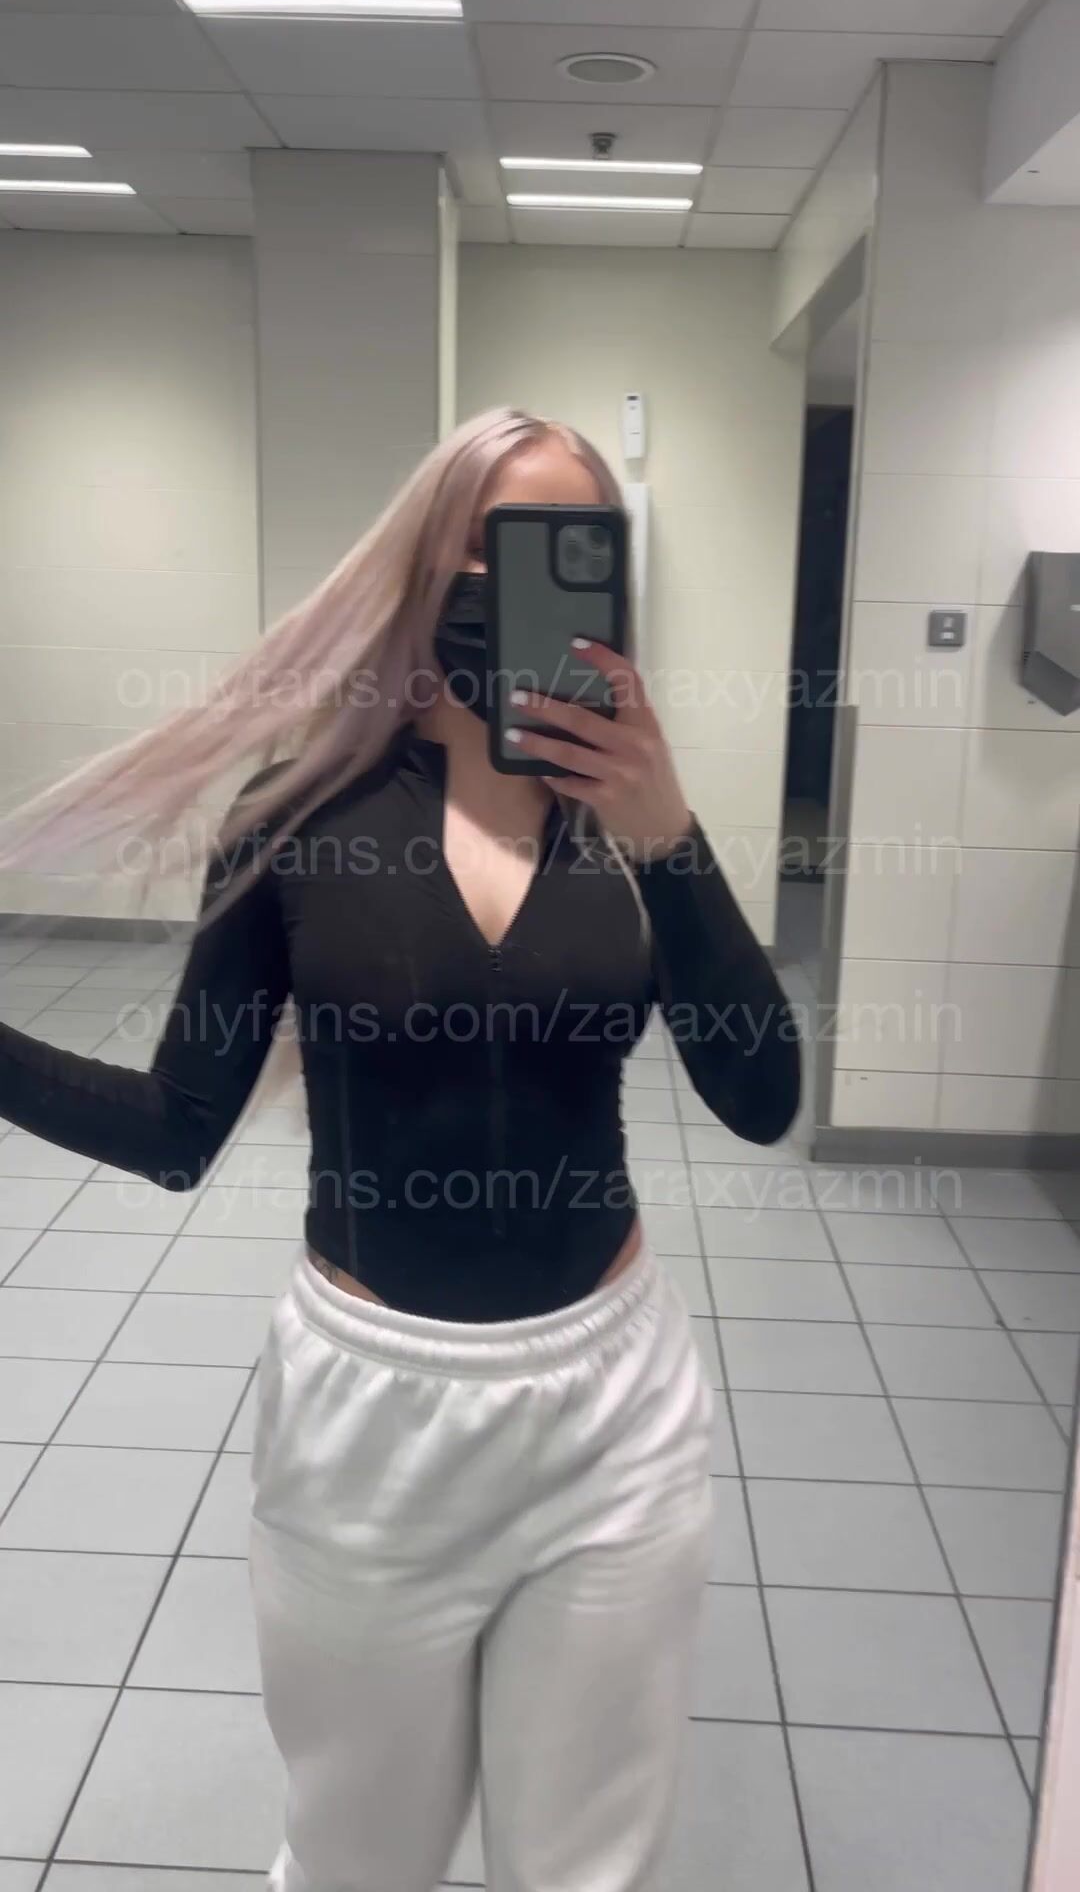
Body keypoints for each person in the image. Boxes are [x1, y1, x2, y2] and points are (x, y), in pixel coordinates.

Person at [0, 408, 800, 1892]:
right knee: (360, 1858)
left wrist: (670, 830)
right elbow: (178, 1127)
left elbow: (760, 1095)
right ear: (420, 574)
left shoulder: (629, 825)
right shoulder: (294, 820)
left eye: (565, 550)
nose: (511, 589)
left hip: (615, 1408)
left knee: (590, 1866)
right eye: (481, 551)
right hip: (370, 1421)